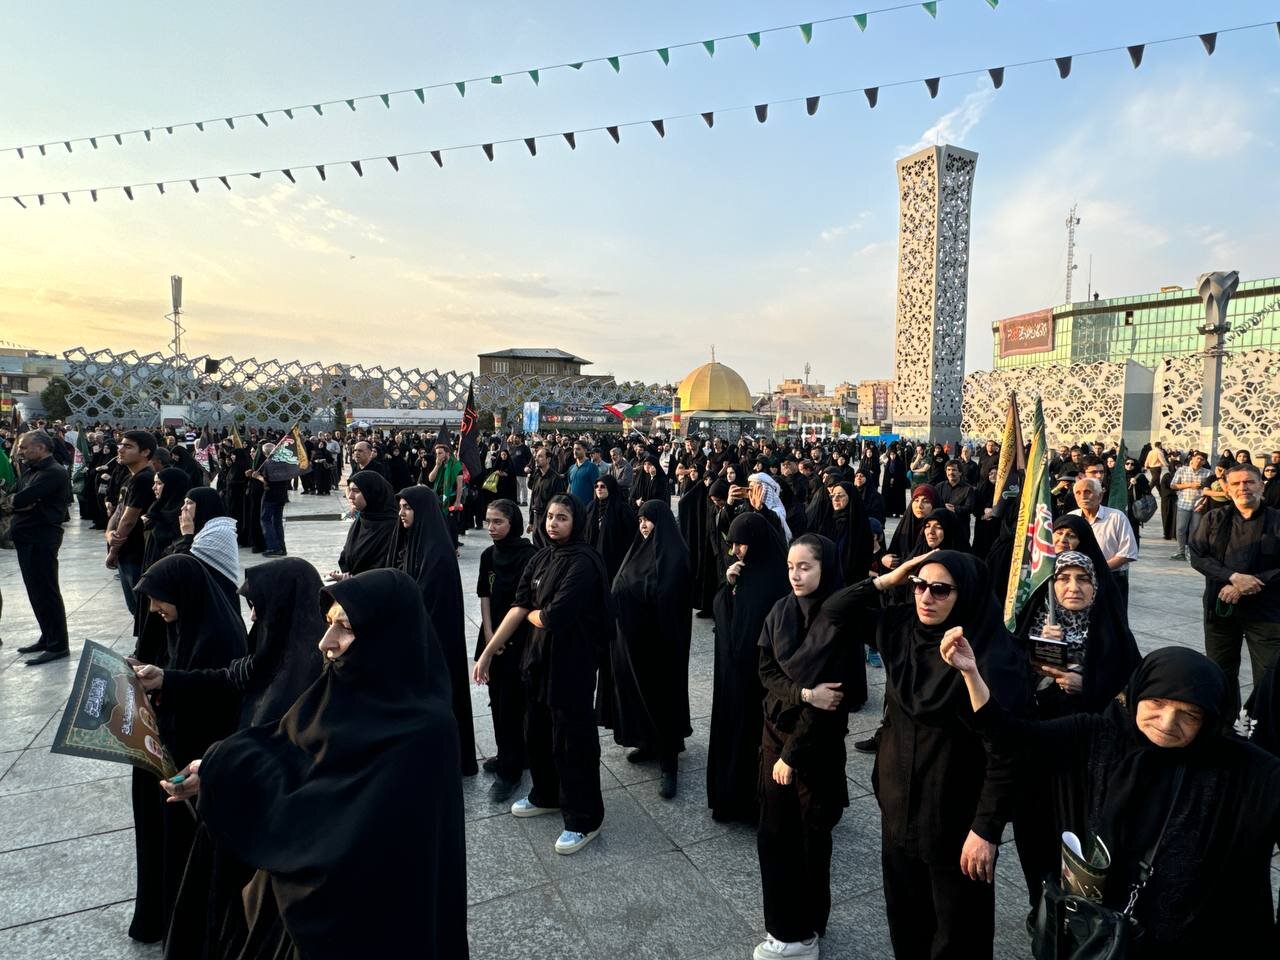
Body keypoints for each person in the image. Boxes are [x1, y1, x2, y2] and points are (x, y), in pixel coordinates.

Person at [166, 570, 470, 959]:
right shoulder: (338, 688)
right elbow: (287, 748)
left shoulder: (425, 732)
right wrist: (214, 769)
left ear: (388, 635)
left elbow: (348, 826)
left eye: (345, 627)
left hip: (361, 920)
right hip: (294, 909)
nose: (327, 643)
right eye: (329, 624)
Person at [940, 642, 1280, 958]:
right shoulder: (1099, 734)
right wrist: (971, 673)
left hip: (1187, 936)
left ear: (1209, 720)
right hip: (1099, 927)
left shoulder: (1239, 770)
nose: (1167, 722)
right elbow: (1011, 735)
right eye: (1157, 703)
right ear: (1138, 693)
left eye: (1189, 715)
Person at [132, 558, 325, 960]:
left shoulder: (310, 678)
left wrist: (219, 767)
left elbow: (284, 754)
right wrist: (166, 677)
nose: (252, 616)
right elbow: (230, 675)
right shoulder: (270, 652)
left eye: (259, 606)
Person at [846, 549, 1028, 960]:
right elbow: (834, 611)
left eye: (940, 590)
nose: (925, 597)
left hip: (957, 824)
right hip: (900, 807)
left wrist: (986, 830)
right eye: (919, 586)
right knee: (906, 921)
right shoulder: (902, 631)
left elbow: (1006, 750)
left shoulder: (993, 657)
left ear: (965, 596)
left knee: (957, 933)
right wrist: (889, 579)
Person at [474, 494, 609, 855]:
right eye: (549, 516)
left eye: (562, 517)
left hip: (572, 665)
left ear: (575, 522)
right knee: (536, 731)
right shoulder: (543, 556)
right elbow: (519, 607)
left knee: (572, 742)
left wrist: (537, 613)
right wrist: (486, 654)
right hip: (537, 661)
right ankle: (547, 794)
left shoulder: (583, 562)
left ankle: (584, 819)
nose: (553, 523)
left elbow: (553, 617)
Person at [752, 534, 864, 960]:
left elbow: (831, 700)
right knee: (775, 834)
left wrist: (790, 754)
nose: (796, 576)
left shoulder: (837, 621)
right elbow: (766, 671)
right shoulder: (781, 611)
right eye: (791, 567)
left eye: (806, 567)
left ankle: (802, 930)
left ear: (824, 568)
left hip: (811, 747)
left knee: (809, 838)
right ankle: (788, 923)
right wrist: (802, 693)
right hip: (774, 733)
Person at [128, 554, 247, 944]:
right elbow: (172, 668)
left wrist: (169, 681)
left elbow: (220, 690)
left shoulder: (219, 633)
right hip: (165, 747)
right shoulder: (178, 624)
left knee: (181, 844)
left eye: (159, 599)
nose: (154, 609)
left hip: (195, 754)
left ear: (183, 593)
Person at [605, 500, 693, 800]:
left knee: (663, 699)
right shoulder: (637, 549)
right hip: (632, 643)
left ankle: (669, 763)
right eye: (641, 519)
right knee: (637, 695)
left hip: (661, 646)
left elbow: (668, 599)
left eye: (649, 520)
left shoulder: (675, 555)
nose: (643, 525)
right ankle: (648, 743)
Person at [389, 484, 479, 776]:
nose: (402, 513)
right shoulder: (411, 542)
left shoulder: (436, 554)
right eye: (400, 507)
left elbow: (429, 605)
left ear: (423, 511)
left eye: (408, 507)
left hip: (434, 644)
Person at [707, 513, 790, 824]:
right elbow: (725, 615)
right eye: (732, 545)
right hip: (734, 675)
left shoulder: (777, 578)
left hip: (761, 679)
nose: (735, 551)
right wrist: (728, 584)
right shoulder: (741, 572)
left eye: (740, 544)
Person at [1190, 461, 1280, 725]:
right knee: (1220, 672)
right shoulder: (1214, 519)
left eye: (1249, 482)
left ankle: (1260, 727)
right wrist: (1232, 577)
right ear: (1227, 490)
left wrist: (1252, 582)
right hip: (1221, 609)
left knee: (1269, 675)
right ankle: (1224, 728)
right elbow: (1197, 556)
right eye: (1237, 483)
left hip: (1267, 613)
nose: (1244, 488)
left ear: (1261, 485)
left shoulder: (1277, 520)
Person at [476, 499, 539, 802]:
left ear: (512, 522)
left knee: (512, 704)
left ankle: (511, 770)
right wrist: (489, 635)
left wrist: (500, 639)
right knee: (497, 699)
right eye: (488, 521)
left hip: (518, 639)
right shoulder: (488, 555)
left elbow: (526, 603)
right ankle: (507, 754)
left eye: (498, 522)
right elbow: (484, 594)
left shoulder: (529, 555)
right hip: (493, 639)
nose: (491, 528)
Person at [9, 430, 72, 664]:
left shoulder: (53, 472)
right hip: (26, 537)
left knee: (46, 591)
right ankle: (47, 636)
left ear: (42, 448)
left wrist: (19, 503)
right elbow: (15, 497)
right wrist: (18, 503)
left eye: (25, 447)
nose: (20, 451)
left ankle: (58, 645)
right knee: (36, 591)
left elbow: (18, 500)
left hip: (41, 537)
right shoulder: (31, 470)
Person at [107, 430, 159, 620]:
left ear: (145, 452)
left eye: (128, 446)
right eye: (120, 445)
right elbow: (119, 510)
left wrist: (113, 550)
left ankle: (145, 649)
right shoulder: (131, 477)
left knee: (140, 608)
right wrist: (109, 533)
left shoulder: (144, 478)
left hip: (137, 551)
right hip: (126, 550)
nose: (120, 450)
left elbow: (129, 519)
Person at [1069, 476, 1137, 606]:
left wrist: (1097, 569)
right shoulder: (1071, 517)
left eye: (1088, 491)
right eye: (1078, 493)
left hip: (1111, 579)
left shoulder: (1116, 517)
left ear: (1100, 496)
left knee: (1112, 622)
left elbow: (1127, 553)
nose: (1083, 496)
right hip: (1079, 581)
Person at [333, 470, 399, 578]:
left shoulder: (392, 527)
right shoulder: (361, 521)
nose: (350, 496)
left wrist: (355, 579)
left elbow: (385, 569)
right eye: (350, 490)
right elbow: (346, 555)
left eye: (356, 491)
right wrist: (346, 575)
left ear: (372, 493)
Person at [142, 467, 192, 572]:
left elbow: (175, 540)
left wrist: (154, 524)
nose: (154, 487)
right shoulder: (159, 505)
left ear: (172, 486)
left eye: (159, 484)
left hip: (169, 568)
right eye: (154, 483)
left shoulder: (182, 511)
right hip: (152, 562)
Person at [881, 484, 937, 570]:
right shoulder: (906, 525)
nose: (919, 506)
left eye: (926, 501)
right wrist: (885, 559)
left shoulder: (940, 530)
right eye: (916, 500)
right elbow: (893, 552)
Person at [1169, 451, 1211, 561]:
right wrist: (1189, 485)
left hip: (1198, 505)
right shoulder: (1182, 470)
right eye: (1197, 458)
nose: (1199, 461)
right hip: (1184, 503)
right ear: (1192, 459)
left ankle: (1191, 552)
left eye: (1202, 459)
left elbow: (1209, 490)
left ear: (1204, 462)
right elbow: (1173, 485)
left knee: (1195, 530)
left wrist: (1203, 502)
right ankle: (1180, 551)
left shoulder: (1207, 473)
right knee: (1181, 529)